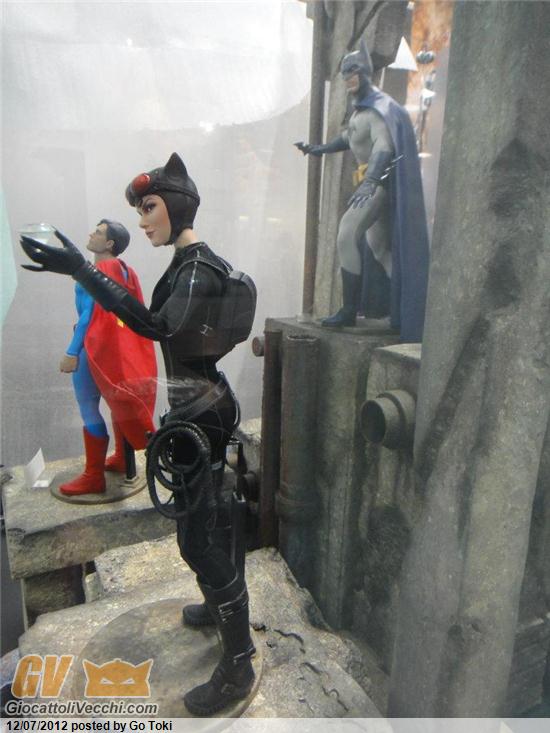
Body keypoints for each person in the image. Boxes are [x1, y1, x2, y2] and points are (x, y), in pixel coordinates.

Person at [20, 152, 256, 717]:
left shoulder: (195, 270)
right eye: (141, 210)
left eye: (149, 208)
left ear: (175, 206)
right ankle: (218, 608)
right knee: (206, 525)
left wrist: (82, 270)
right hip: (196, 406)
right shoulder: (187, 265)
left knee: (200, 539)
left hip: (202, 411)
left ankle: (238, 663)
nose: (143, 220)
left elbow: (154, 326)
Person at [297, 40, 429, 343]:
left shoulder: (381, 109)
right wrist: (317, 149)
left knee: (346, 234)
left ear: (366, 72)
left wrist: (370, 181)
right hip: (371, 184)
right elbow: (349, 139)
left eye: (353, 71)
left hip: (377, 184)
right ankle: (405, 307)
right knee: (380, 249)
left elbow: (384, 146)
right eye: (345, 72)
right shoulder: (362, 111)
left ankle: (348, 310)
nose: (348, 77)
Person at [58, 219, 157, 496]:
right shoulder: (124, 269)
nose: (92, 234)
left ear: (110, 243)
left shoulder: (99, 271)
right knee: (117, 403)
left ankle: (93, 476)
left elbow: (88, 316)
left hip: (93, 348)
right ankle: (122, 458)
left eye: (99, 232)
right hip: (114, 349)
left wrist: (71, 351)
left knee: (89, 407)